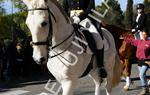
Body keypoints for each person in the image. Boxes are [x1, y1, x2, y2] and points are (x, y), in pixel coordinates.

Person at [62, 0, 107, 78]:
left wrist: (79, 18)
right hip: (70, 21)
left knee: (98, 39)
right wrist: (67, 19)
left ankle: (100, 66)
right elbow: (64, 9)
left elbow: (90, 9)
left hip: (85, 19)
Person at [125, 27, 150, 95]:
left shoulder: (149, 42)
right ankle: (147, 89)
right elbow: (130, 40)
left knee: (141, 75)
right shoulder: (139, 41)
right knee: (143, 75)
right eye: (144, 34)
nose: (145, 36)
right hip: (139, 61)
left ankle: (144, 89)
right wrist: (122, 37)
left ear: (148, 35)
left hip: (147, 61)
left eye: (146, 35)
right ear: (141, 34)